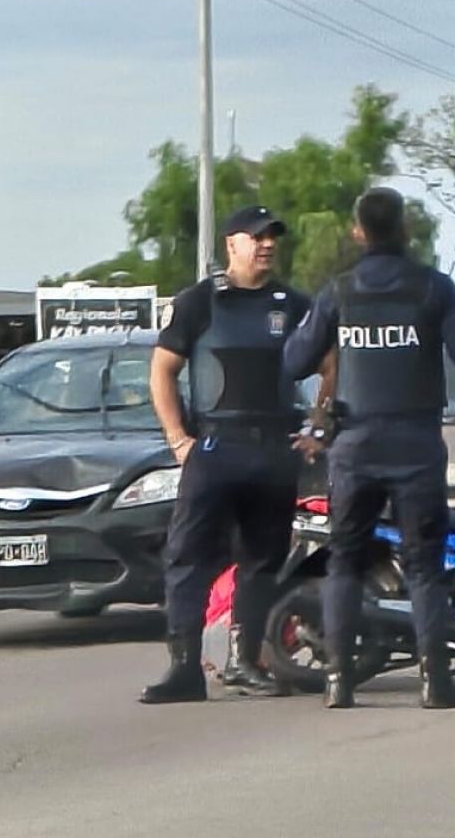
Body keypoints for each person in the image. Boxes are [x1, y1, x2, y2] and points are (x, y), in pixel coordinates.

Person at [283, 187, 455, 710]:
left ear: (357, 232)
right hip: (416, 445)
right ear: (405, 230)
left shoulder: (340, 292)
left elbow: (296, 360)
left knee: (345, 562)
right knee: (424, 563)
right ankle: (436, 682)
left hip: (355, 446)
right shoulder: (433, 288)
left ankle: (338, 681)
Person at [140, 204, 317, 705]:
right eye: (256, 237)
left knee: (262, 561)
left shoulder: (295, 305)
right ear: (231, 244)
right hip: (215, 449)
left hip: (274, 450)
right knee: (187, 558)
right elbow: (162, 373)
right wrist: (178, 438)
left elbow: (332, 362)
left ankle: (245, 661)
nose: (267, 245)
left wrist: (318, 426)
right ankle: (183, 668)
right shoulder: (199, 303)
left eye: (272, 237)